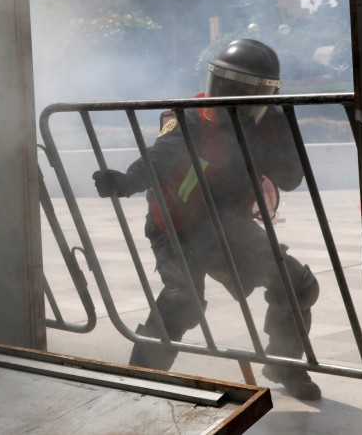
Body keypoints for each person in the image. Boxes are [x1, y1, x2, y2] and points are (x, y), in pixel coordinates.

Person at [92, 38, 322, 400]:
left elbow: (292, 178)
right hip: (177, 226)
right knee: (182, 302)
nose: (229, 100)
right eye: (224, 87)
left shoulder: (271, 123)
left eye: (242, 93)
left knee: (300, 287)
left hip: (231, 227)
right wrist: (125, 182)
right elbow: (160, 156)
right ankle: (138, 383)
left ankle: (284, 365)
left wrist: (259, 139)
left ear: (263, 96)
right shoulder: (188, 116)